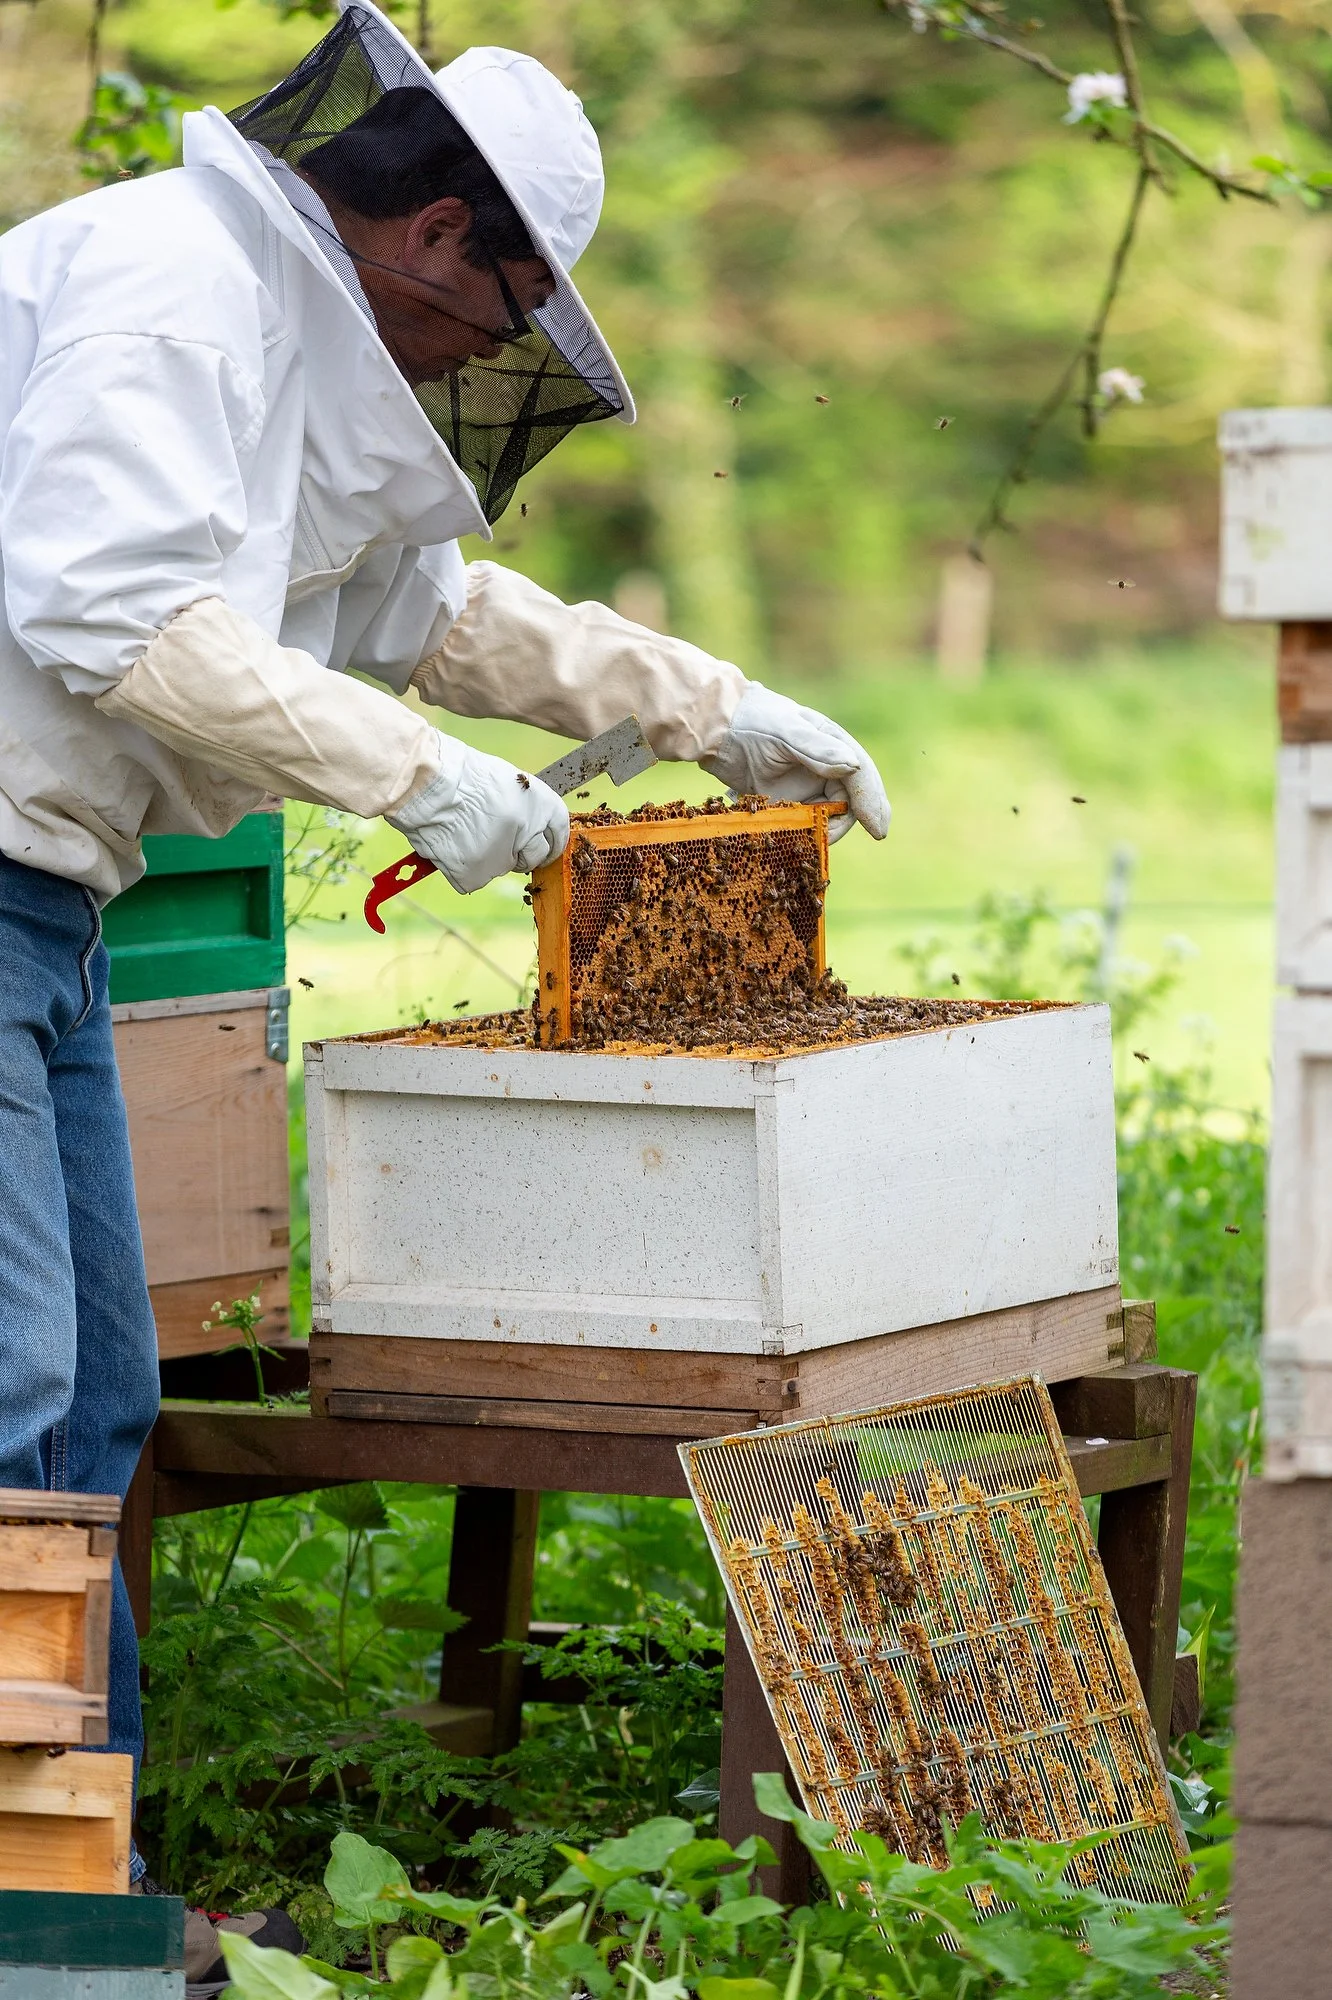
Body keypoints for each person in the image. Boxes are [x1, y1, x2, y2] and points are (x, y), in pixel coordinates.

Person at [0, 2, 887, 1979]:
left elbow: (439, 615)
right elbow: (103, 604)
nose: (497, 354)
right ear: (429, 235)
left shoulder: (276, 353)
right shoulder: (171, 299)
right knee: (8, 1394)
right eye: (507, 305)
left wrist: (715, 708)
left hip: (40, 900)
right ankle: (16, 1913)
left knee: (98, 1400)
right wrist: (418, 782)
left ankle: (71, 1887)